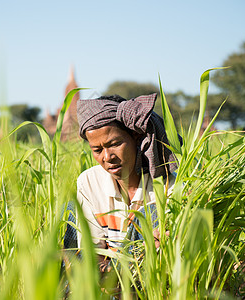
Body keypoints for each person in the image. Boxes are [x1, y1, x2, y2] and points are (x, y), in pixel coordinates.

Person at [75, 93, 179, 262]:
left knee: (148, 214)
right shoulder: (88, 182)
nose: (107, 157)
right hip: (108, 276)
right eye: (97, 150)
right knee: (72, 210)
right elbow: (93, 254)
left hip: (151, 272)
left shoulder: (169, 185)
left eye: (115, 144)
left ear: (135, 137)